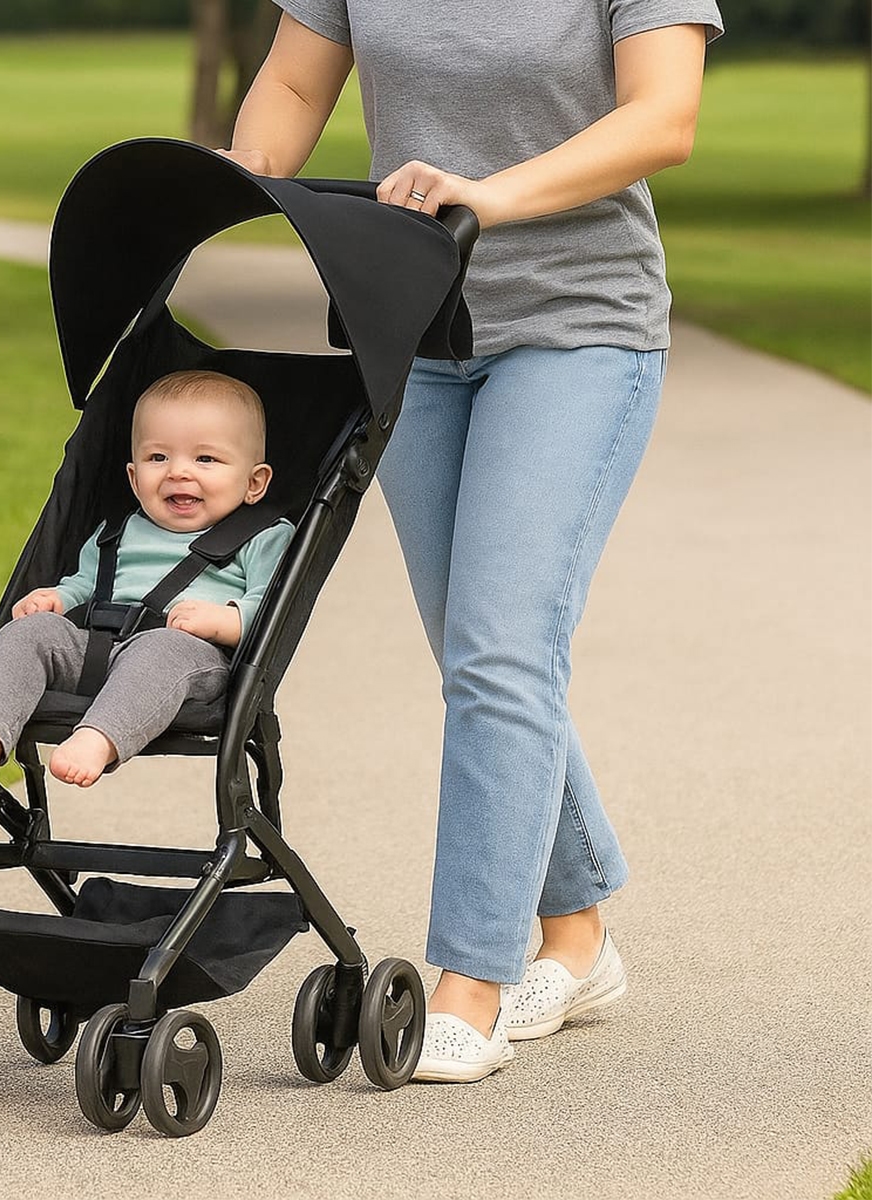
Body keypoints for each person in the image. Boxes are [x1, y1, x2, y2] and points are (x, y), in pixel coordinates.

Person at [221, 0, 723, 1082]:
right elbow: (299, 84)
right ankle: (579, 935)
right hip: (410, 324)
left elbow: (662, 118)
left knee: (500, 645)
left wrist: (489, 196)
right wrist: (232, 187)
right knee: (486, 655)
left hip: (577, 327)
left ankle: (472, 980)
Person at [0, 369, 293, 789]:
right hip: (97, 650)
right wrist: (58, 599)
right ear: (133, 477)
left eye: (205, 459)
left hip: (192, 660)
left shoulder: (263, 537)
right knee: (27, 633)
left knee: (162, 648)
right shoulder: (117, 531)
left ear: (254, 482)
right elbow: (86, 582)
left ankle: (97, 737)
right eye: (158, 457)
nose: (178, 472)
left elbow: (273, 608)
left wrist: (226, 621)